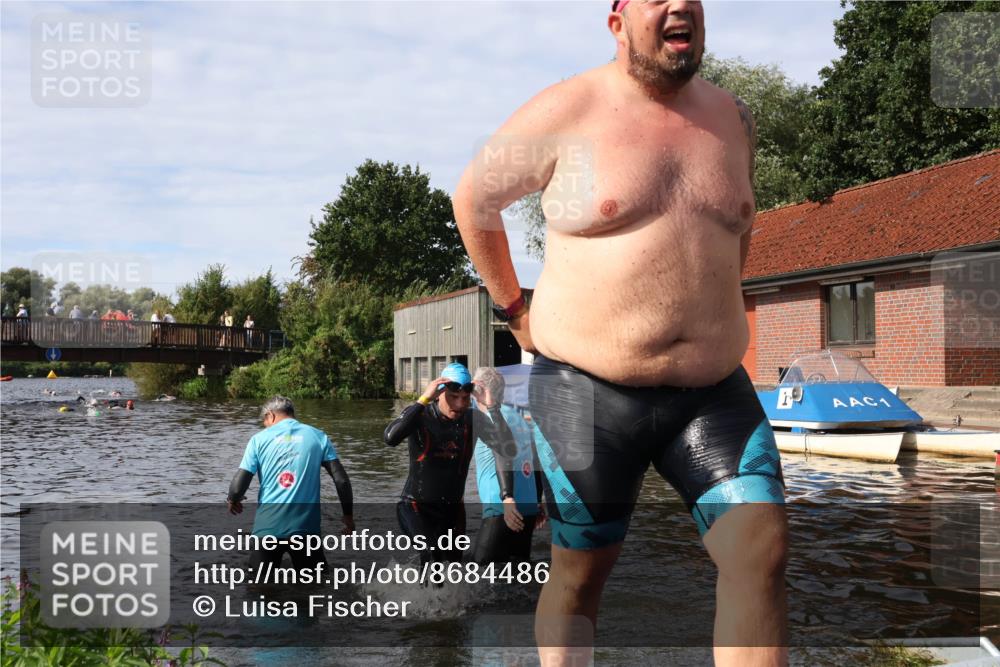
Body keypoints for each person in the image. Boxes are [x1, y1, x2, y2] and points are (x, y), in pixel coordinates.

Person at [452, 2, 788, 665]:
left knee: (762, 547)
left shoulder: (733, 118)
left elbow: (738, 227)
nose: (680, 6)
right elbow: (475, 199)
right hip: (584, 390)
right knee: (581, 572)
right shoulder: (565, 110)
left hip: (712, 391)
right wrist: (514, 306)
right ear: (617, 21)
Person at [383, 362, 518, 567]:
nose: (459, 404)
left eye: (465, 398)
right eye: (453, 397)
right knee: (431, 553)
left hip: (451, 512)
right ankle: (422, 599)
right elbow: (390, 438)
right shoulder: (421, 415)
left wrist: (492, 407)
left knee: (453, 566)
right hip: (415, 506)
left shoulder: (473, 419)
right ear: (440, 393)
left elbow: (508, 450)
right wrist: (421, 401)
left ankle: (443, 599)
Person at [227, 396, 355, 573]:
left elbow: (237, 487)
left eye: (264, 420)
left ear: (270, 416)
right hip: (306, 529)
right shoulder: (318, 436)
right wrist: (348, 516)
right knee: (315, 586)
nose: (265, 425)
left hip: (268, 529)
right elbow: (341, 480)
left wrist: (233, 499)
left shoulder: (258, 440)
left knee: (259, 587)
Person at [470, 366, 546, 566]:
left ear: (478, 387)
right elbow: (535, 459)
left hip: (502, 507)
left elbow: (504, 455)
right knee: (517, 573)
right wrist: (538, 500)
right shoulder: (518, 417)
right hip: (528, 507)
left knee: (481, 571)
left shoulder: (484, 418)